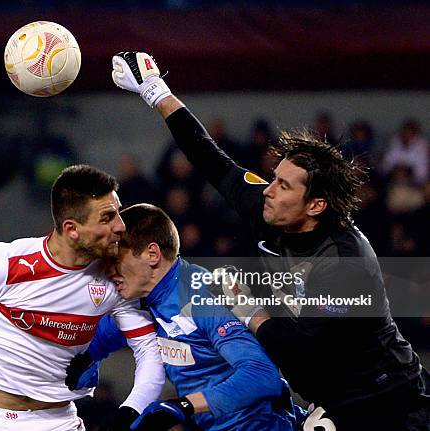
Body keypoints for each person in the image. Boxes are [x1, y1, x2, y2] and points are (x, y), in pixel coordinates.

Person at [108, 52, 430, 430]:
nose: (269, 190)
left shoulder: (344, 262)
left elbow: (301, 350)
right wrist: (154, 90)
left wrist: (247, 309)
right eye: (274, 178)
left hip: (390, 402)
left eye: (283, 185)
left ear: (316, 205)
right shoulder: (270, 209)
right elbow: (210, 158)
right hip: (334, 401)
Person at [0, 164, 165, 431]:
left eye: (118, 214)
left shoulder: (117, 279)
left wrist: (131, 410)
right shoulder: (3, 263)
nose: (121, 226)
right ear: (72, 229)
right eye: (107, 217)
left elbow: (149, 350)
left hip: (59, 421)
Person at [67, 203, 297, 431]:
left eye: (115, 260)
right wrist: (83, 363)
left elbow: (262, 376)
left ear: (152, 254)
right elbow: (91, 344)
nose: (109, 271)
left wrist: (183, 406)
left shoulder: (204, 293)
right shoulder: (138, 304)